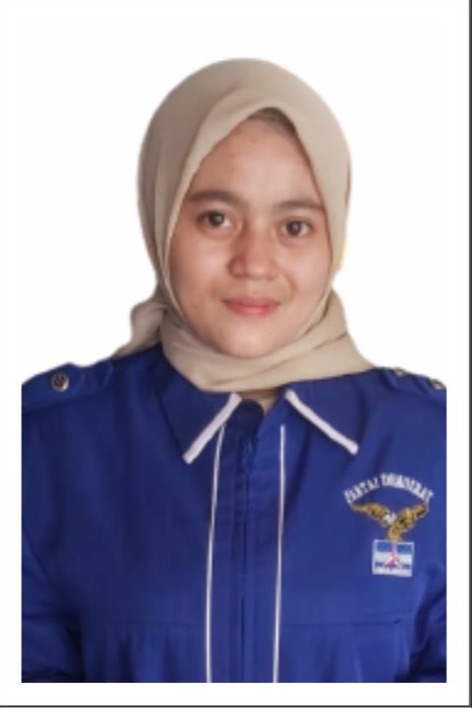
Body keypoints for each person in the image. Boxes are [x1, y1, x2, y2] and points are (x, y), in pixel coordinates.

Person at [22, 58, 446, 683]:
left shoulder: (434, 443)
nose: (255, 262)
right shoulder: (47, 446)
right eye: (217, 218)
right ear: (161, 219)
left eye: (294, 226)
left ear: (335, 240)